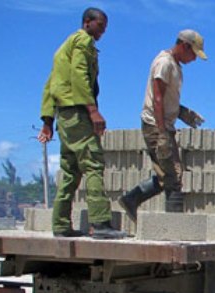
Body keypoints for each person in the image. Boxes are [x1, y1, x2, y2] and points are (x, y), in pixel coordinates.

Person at [38, 7, 125, 239]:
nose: (102, 32)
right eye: (100, 26)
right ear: (87, 22)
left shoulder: (62, 50)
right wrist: (93, 110)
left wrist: (48, 120)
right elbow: (79, 75)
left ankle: (60, 225)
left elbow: (50, 87)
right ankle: (100, 223)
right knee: (93, 163)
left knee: (70, 171)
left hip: (64, 118)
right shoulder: (83, 41)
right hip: (78, 114)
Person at [119, 30, 207, 220]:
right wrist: (162, 133)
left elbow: (166, 99)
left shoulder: (175, 65)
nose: (194, 59)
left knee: (166, 175)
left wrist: (183, 113)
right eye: (193, 54)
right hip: (155, 126)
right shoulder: (164, 63)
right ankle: (172, 226)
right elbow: (157, 98)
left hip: (163, 125)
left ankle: (132, 199)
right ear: (185, 46)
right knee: (173, 176)